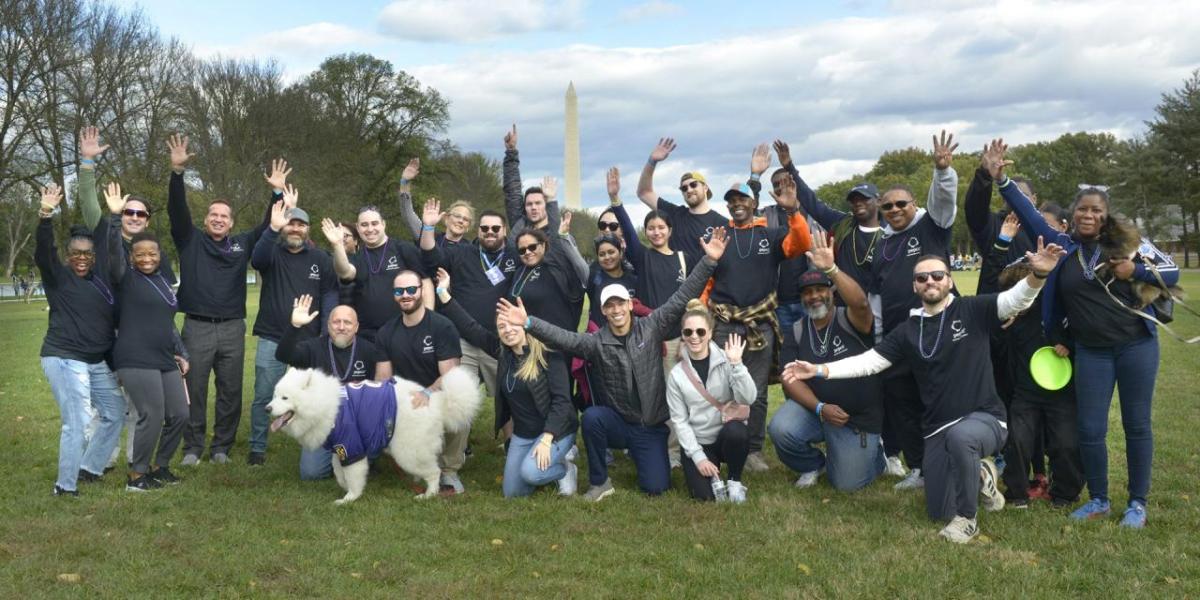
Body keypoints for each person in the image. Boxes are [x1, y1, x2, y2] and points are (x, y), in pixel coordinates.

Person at [783, 241, 1065, 543]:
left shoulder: (973, 309)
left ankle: (966, 521)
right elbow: (869, 362)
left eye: (937, 275)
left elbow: (1014, 300)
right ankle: (982, 477)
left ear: (950, 280)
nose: (930, 281)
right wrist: (820, 370)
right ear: (915, 287)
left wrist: (1038, 276)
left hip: (985, 420)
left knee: (963, 438)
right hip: (937, 429)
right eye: (922, 278)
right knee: (938, 510)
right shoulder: (908, 329)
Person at [997, 170, 1179, 529]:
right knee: (1091, 429)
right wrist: (1001, 181)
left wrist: (1136, 269)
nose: (1089, 215)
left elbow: (1170, 271)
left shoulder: (1128, 244)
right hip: (1092, 352)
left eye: (1096, 210)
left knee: (1136, 425)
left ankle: (1137, 504)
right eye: (1083, 209)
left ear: (1106, 215)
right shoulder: (1062, 244)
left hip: (1135, 346)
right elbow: (1029, 214)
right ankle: (1098, 499)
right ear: (1074, 213)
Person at [498, 228, 728, 501]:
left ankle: (648, 461)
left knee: (656, 487)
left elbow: (681, 297)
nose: (616, 310)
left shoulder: (651, 327)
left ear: (630, 305)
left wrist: (709, 261)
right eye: (610, 306)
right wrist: (528, 323)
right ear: (604, 311)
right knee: (593, 417)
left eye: (621, 304)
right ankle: (599, 482)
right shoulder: (595, 342)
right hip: (617, 423)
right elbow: (564, 338)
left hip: (650, 426)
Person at [166, 134, 276, 467]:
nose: (218, 219)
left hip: (231, 328)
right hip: (196, 327)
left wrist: (277, 193)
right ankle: (193, 447)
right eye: (213, 214)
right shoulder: (190, 240)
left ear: (231, 222)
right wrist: (177, 172)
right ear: (206, 219)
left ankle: (222, 447)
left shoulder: (241, 244)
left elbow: (270, 226)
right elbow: (176, 209)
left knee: (230, 390)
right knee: (194, 389)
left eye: (224, 216)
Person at [703, 146, 814, 472]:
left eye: (742, 200)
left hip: (761, 323)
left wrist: (793, 211)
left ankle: (752, 449)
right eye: (732, 201)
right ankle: (718, 444)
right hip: (725, 323)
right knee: (720, 386)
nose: (737, 205)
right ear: (728, 206)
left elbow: (801, 245)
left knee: (757, 390)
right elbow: (708, 279)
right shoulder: (719, 236)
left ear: (753, 203)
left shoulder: (771, 231)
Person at [867, 131, 960, 490]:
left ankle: (951, 462)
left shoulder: (930, 226)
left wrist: (943, 172)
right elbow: (876, 295)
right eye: (887, 207)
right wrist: (878, 337)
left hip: (936, 331)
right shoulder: (882, 245)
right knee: (902, 401)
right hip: (897, 337)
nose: (894, 211)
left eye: (901, 204)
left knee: (936, 400)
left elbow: (945, 202)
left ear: (913, 203)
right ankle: (919, 467)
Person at [436, 269, 578, 497]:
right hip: (523, 435)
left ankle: (564, 469)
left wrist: (547, 438)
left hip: (555, 432)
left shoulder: (549, 354)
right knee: (513, 493)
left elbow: (563, 403)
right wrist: (443, 293)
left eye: (513, 324)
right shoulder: (503, 353)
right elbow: (470, 327)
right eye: (502, 327)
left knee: (532, 474)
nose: (508, 330)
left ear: (524, 324)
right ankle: (537, 466)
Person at [770, 233, 884, 492]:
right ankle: (812, 464)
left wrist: (831, 268)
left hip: (854, 418)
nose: (814, 297)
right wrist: (820, 407)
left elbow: (862, 304)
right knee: (780, 427)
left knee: (846, 484)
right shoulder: (798, 330)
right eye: (807, 292)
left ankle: (876, 454)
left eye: (820, 289)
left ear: (831, 290)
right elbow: (789, 379)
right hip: (817, 412)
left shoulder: (850, 318)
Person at [985, 214, 1084, 508]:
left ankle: (1065, 494)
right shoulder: (1014, 307)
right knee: (1016, 441)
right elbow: (994, 283)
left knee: (1066, 443)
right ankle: (1017, 493)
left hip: (1061, 387)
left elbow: (1088, 325)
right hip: (1025, 391)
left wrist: (1069, 343)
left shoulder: (1064, 300)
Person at [35, 184, 123, 496]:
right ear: (68, 255)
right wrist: (46, 215)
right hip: (63, 356)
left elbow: (108, 243)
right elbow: (44, 252)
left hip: (94, 360)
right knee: (77, 420)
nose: (81, 258)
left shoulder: (102, 281)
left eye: (87, 253)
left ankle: (89, 467)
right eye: (75, 254)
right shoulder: (58, 278)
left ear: (93, 256)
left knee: (114, 411)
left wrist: (113, 218)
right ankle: (65, 485)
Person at [101, 189, 192, 492]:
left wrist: (180, 352)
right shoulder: (125, 277)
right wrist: (115, 219)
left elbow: (167, 322)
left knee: (180, 414)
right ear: (132, 257)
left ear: (160, 254)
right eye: (140, 254)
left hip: (164, 357)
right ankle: (137, 476)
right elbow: (114, 254)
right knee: (151, 414)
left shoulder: (164, 281)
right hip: (135, 356)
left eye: (152, 253)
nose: (147, 258)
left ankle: (160, 466)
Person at [608, 166, 692, 465]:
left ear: (670, 230)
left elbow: (689, 301)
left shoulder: (683, 259)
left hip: (676, 342)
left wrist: (686, 337)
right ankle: (647, 445)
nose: (656, 232)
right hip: (645, 341)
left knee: (677, 396)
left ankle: (677, 450)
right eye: (651, 228)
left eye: (661, 228)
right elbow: (627, 230)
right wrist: (615, 199)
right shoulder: (643, 257)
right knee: (645, 394)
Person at [249, 188, 338, 465]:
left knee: (308, 397)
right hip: (273, 336)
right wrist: (271, 229)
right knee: (265, 393)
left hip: (309, 340)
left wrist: (325, 329)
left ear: (307, 230)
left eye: (300, 224)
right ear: (283, 226)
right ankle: (257, 447)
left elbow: (330, 294)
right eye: (291, 223)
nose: (295, 228)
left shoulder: (321, 258)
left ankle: (313, 443)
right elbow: (256, 260)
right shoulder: (272, 252)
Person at [275, 295, 388, 480]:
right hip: (322, 423)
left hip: (357, 422)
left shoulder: (369, 350)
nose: (341, 327)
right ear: (328, 325)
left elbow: (381, 389)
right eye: (336, 322)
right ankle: (339, 455)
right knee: (311, 473)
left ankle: (360, 454)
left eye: (347, 323)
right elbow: (283, 355)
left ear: (357, 327)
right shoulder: (314, 348)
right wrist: (294, 326)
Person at [374, 270, 466, 493]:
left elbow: (449, 375)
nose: (405, 295)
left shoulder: (442, 326)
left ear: (421, 291)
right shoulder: (386, 332)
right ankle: (402, 456)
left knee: (460, 402)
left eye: (411, 290)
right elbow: (383, 379)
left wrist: (426, 393)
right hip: (405, 398)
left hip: (436, 394)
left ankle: (449, 469)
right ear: (394, 295)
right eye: (399, 291)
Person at [420, 206, 517, 402]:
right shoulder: (461, 252)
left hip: (501, 339)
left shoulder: (516, 256)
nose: (490, 231)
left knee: (511, 399)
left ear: (504, 230)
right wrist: (428, 228)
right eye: (485, 228)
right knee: (457, 399)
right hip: (463, 341)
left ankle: (513, 434)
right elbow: (432, 256)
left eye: (496, 228)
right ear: (478, 230)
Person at [666, 301, 754, 503]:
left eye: (700, 331)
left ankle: (734, 481)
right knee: (704, 497)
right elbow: (680, 421)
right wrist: (698, 457)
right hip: (699, 441)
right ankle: (710, 469)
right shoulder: (676, 375)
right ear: (683, 335)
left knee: (737, 432)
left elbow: (748, 398)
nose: (694, 336)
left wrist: (737, 364)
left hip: (726, 434)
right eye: (688, 332)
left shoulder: (727, 359)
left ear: (710, 333)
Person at [325, 201, 430, 343]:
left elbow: (425, 281)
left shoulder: (403, 249)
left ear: (383, 224)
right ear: (358, 227)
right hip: (368, 336)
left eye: (374, 223)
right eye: (364, 225)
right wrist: (337, 245)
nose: (370, 229)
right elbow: (345, 272)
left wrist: (428, 320)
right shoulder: (357, 257)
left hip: (406, 330)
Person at [636, 138, 732, 265]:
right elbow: (644, 192)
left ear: (705, 187)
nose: (689, 189)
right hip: (673, 282)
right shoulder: (675, 213)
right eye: (684, 188)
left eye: (693, 185)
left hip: (705, 283)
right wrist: (652, 161)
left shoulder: (721, 223)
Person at [506, 228, 585, 333]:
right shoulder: (518, 271)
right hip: (528, 342)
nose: (527, 252)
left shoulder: (558, 267)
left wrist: (562, 232)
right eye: (522, 250)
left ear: (543, 245)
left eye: (532, 247)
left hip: (558, 341)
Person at [585, 234, 637, 327]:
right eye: (602, 254)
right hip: (599, 337)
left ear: (620, 253)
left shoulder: (633, 279)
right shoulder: (592, 278)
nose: (607, 257)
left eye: (611, 252)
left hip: (629, 337)